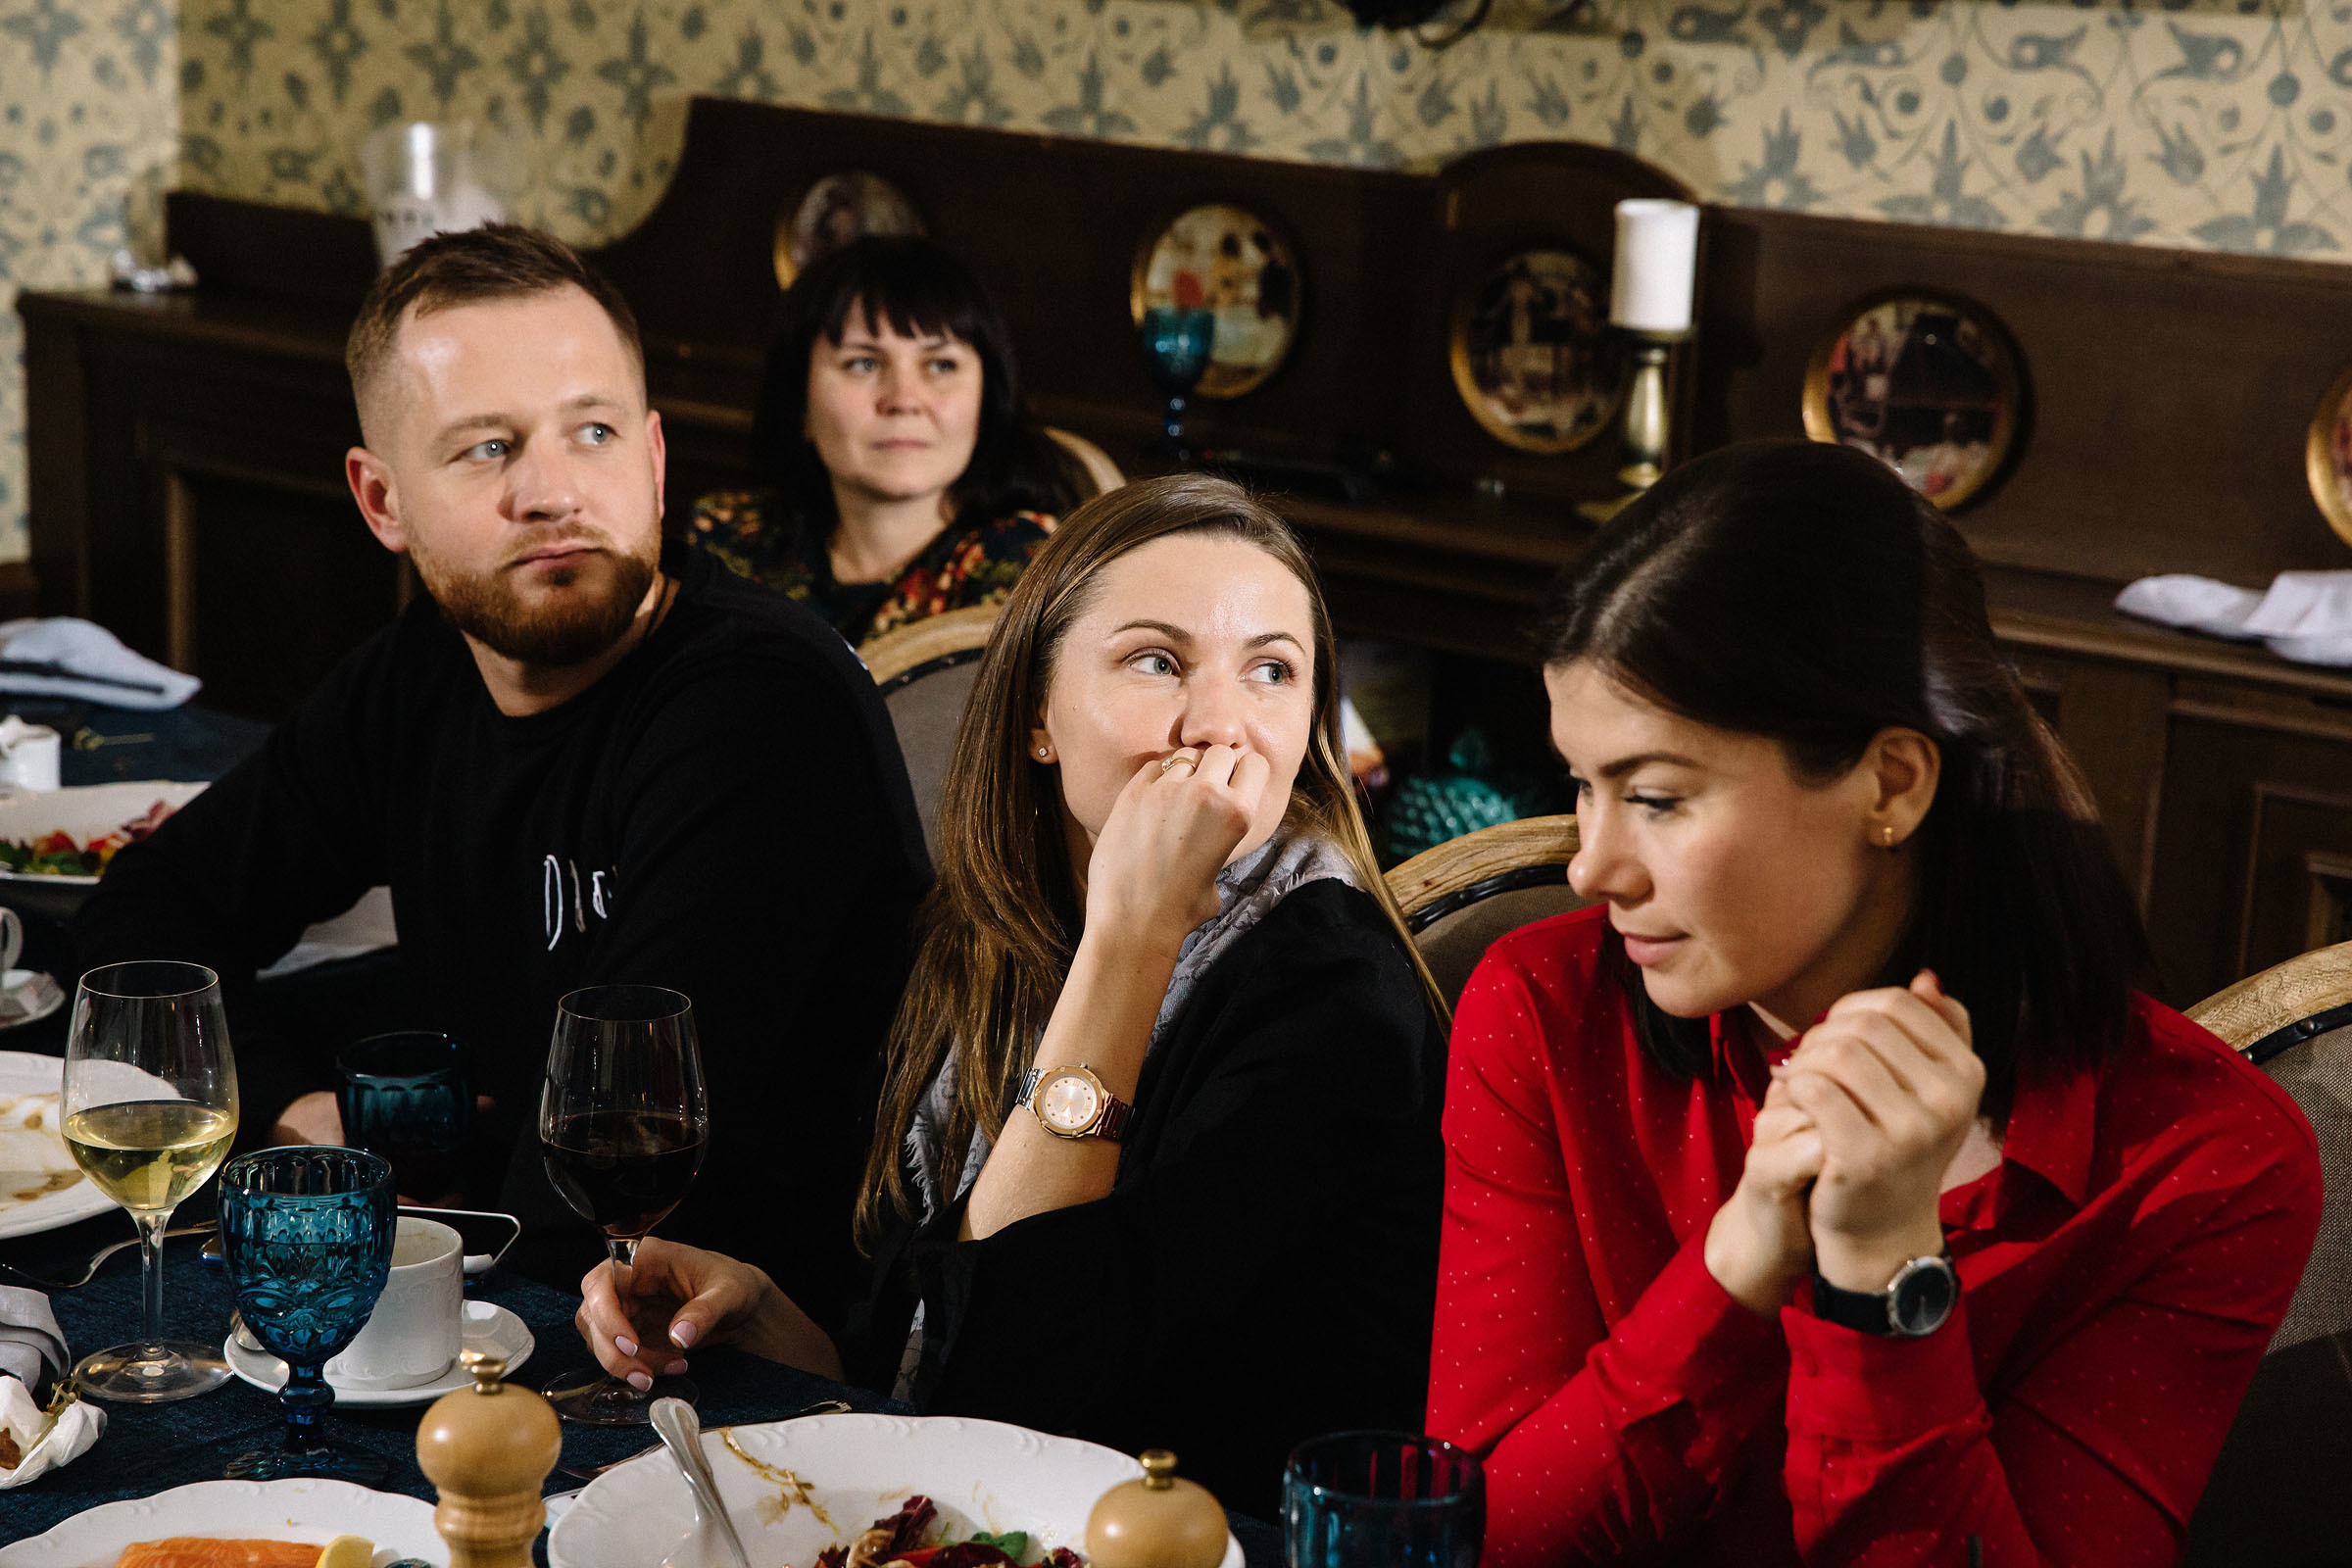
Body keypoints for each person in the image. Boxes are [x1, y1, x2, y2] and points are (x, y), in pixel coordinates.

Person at [1427, 439, 2321, 1567]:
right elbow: (1481, 1545)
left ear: (1891, 782)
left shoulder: (2207, 1161)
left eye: (1654, 796)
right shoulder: (1546, 1014)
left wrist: (1888, 1279)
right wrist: (1738, 1261)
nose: (1591, 867)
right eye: (1580, 786)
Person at [70, 225, 931, 1321]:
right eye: (488, 448)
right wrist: (296, 1103)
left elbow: (621, 1150)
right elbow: (150, 914)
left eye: (595, 432)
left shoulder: (761, 708)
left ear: (655, 460)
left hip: (737, 1352)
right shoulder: (417, 677)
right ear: (381, 501)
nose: (553, 490)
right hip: (510, 1279)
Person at [574, 474, 1446, 1514]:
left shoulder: (1339, 999)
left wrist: (1134, 933)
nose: (1221, 726)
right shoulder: (985, 938)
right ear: (1039, 714)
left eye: (1271, 671)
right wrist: (773, 1318)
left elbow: (1017, 1395)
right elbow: (927, 1352)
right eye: (1157, 661)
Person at [689, 235, 1086, 647]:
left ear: (987, 400)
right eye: (863, 363)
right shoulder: (728, 541)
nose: (903, 400)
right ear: (799, 404)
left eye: (940, 365)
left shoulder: (1028, 568)